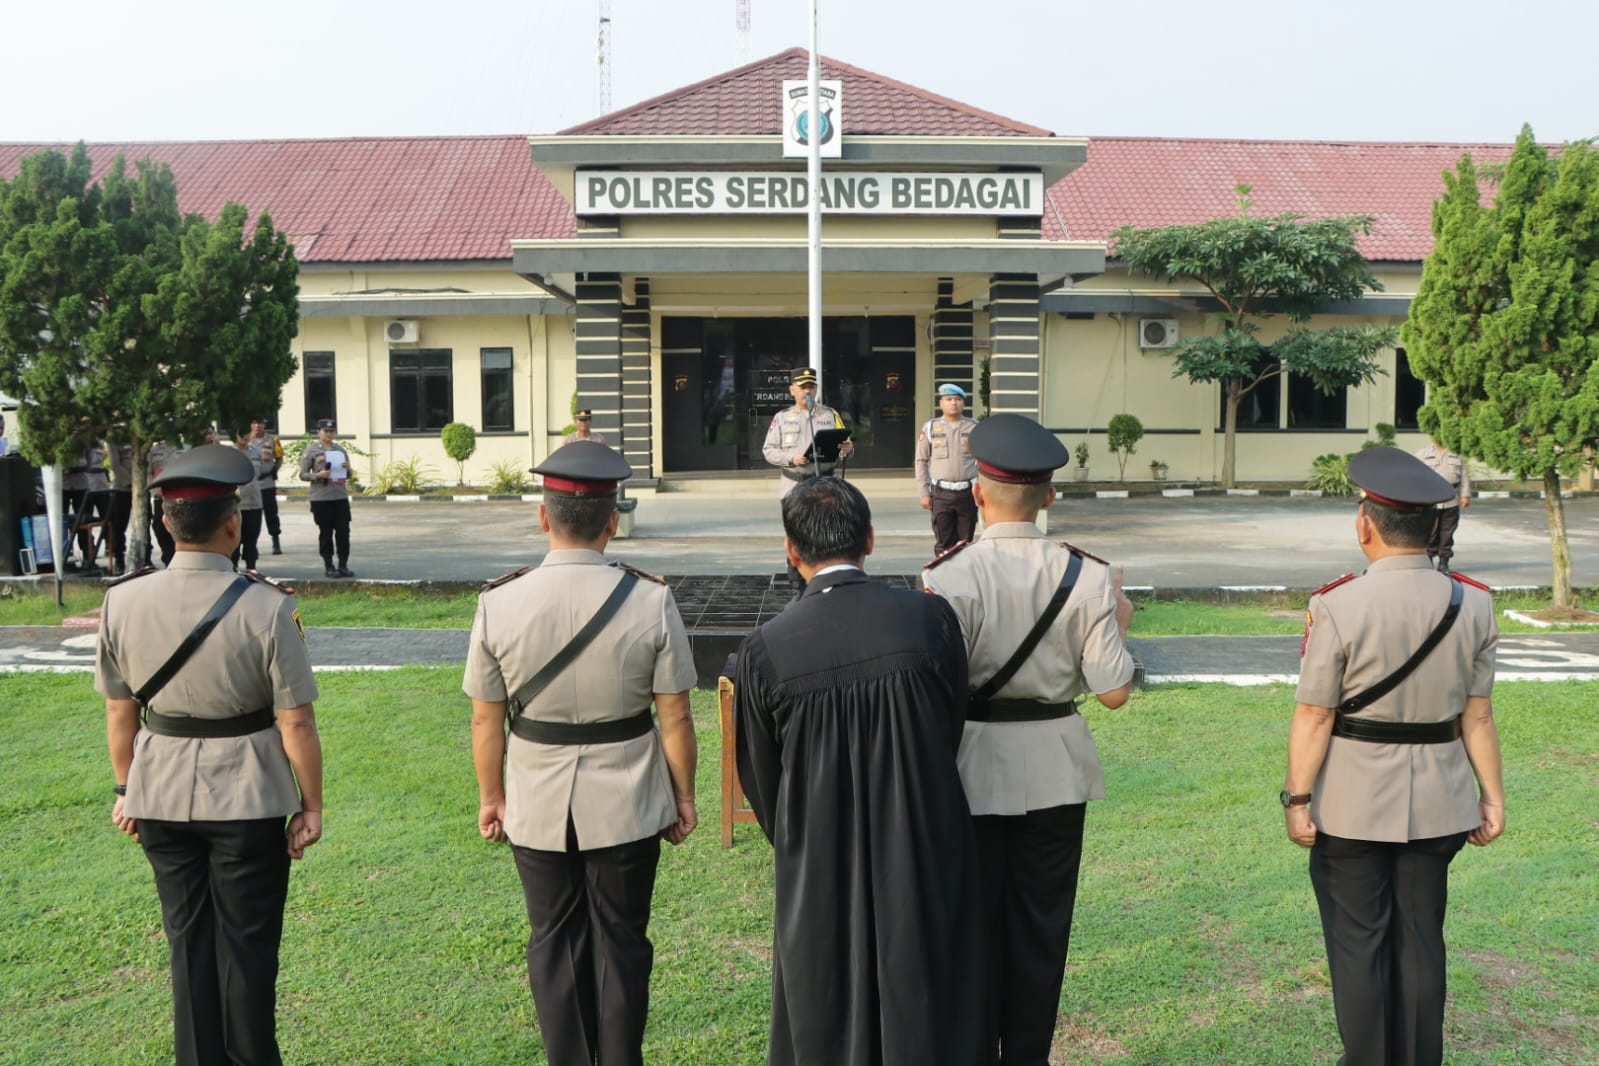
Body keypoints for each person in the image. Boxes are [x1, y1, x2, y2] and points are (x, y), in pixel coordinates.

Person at [735, 476, 986, 1066]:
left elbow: (764, 781)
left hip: (820, 859)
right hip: (922, 845)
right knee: (928, 994)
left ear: (791, 551)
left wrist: (810, 833)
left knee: (825, 999)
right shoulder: (929, 619)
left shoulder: (766, 649)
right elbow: (948, 726)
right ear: (870, 539)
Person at [464, 440, 698, 1066]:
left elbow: (486, 719)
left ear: (543, 517)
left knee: (553, 939)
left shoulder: (499, 601)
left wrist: (491, 797)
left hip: (536, 797)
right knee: (622, 940)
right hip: (629, 795)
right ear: (612, 521)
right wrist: (682, 796)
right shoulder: (649, 598)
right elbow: (675, 714)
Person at [95, 443, 323, 1066]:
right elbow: (296, 720)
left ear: (166, 523)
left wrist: (127, 789)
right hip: (247, 795)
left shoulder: (122, 601)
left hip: (159, 792)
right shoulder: (268, 605)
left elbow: (120, 711)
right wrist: (310, 805)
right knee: (247, 948)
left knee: (187, 942)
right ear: (233, 524)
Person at [921, 413, 1136, 1066]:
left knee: (971, 928)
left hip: (970, 768)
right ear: (1049, 496)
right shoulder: (1088, 575)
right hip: (1054, 771)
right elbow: (1113, 691)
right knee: (1042, 932)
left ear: (977, 493)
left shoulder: (947, 576)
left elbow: (936, 689)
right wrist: (1121, 623)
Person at [1285, 446, 1505, 1066]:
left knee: (1359, 944)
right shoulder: (1473, 603)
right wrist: (1491, 796)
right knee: (1420, 939)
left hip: (1352, 803)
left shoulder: (1336, 604)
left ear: (1366, 525)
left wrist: (1297, 799)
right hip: (1440, 798)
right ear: (1434, 527)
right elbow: (1478, 715)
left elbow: (1316, 714)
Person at [760, 366, 852, 594]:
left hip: (823, 484)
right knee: (796, 534)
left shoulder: (830, 415)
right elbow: (768, 450)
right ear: (792, 390)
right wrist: (791, 459)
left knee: (824, 533)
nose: (807, 391)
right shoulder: (782, 418)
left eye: (811, 386)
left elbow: (846, 447)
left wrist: (847, 449)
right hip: (794, 484)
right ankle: (796, 584)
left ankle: (822, 581)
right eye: (802, 387)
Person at [915, 382, 980, 555]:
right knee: (943, 540)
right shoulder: (930, 427)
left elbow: (984, 459)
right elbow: (921, 460)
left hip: (968, 491)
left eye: (957, 399)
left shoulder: (974, 427)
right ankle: (943, 570)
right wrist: (923, 492)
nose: (953, 403)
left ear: (963, 403)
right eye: (949, 399)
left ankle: (963, 571)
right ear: (941, 403)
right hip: (941, 493)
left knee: (965, 541)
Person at [299, 418, 353, 577]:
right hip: (321, 499)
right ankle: (329, 565)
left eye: (332, 431)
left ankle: (343, 565)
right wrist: (318, 475)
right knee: (326, 533)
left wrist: (348, 469)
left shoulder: (340, 450)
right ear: (319, 432)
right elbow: (302, 474)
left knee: (343, 532)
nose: (329, 434)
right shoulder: (311, 451)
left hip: (340, 497)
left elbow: (349, 474)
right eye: (326, 431)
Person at [1413, 438, 1471, 571]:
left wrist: (1465, 495)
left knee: (1447, 532)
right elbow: (1415, 475)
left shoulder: (1457, 453)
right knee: (1429, 532)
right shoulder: (1423, 453)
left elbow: (1464, 476)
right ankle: (1428, 561)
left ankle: (1444, 562)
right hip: (1430, 500)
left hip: (1451, 499)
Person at [64, 436, 109, 572]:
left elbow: (91, 459)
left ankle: (88, 558)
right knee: (61, 523)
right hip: (62, 483)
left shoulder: (84, 435)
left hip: (82, 482)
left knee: (84, 521)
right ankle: (64, 559)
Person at [231, 428, 268, 571]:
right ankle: (233, 570)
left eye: (246, 433)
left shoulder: (256, 452)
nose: (244, 437)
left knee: (251, 539)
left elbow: (262, 472)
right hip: (235, 505)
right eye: (241, 434)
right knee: (234, 540)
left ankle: (251, 570)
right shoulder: (229, 453)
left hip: (254, 502)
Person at [248, 418, 286, 555]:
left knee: (271, 514)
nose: (257, 426)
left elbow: (279, 457)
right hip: (250, 485)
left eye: (260, 423)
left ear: (264, 425)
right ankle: (251, 544)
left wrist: (273, 471)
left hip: (267, 483)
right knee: (252, 517)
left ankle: (276, 541)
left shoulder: (273, 439)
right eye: (254, 423)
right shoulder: (246, 439)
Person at [148, 439, 181, 567]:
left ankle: (179, 558)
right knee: (160, 527)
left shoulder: (185, 447)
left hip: (179, 497)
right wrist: (154, 490)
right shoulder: (154, 450)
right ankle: (168, 558)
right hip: (160, 497)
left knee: (179, 528)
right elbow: (148, 472)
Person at [105, 440, 135, 576]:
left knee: (144, 522)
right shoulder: (114, 438)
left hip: (141, 486)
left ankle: (145, 557)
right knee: (118, 526)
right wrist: (130, 482)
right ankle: (119, 558)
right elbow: (114, 464)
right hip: (122, 487)